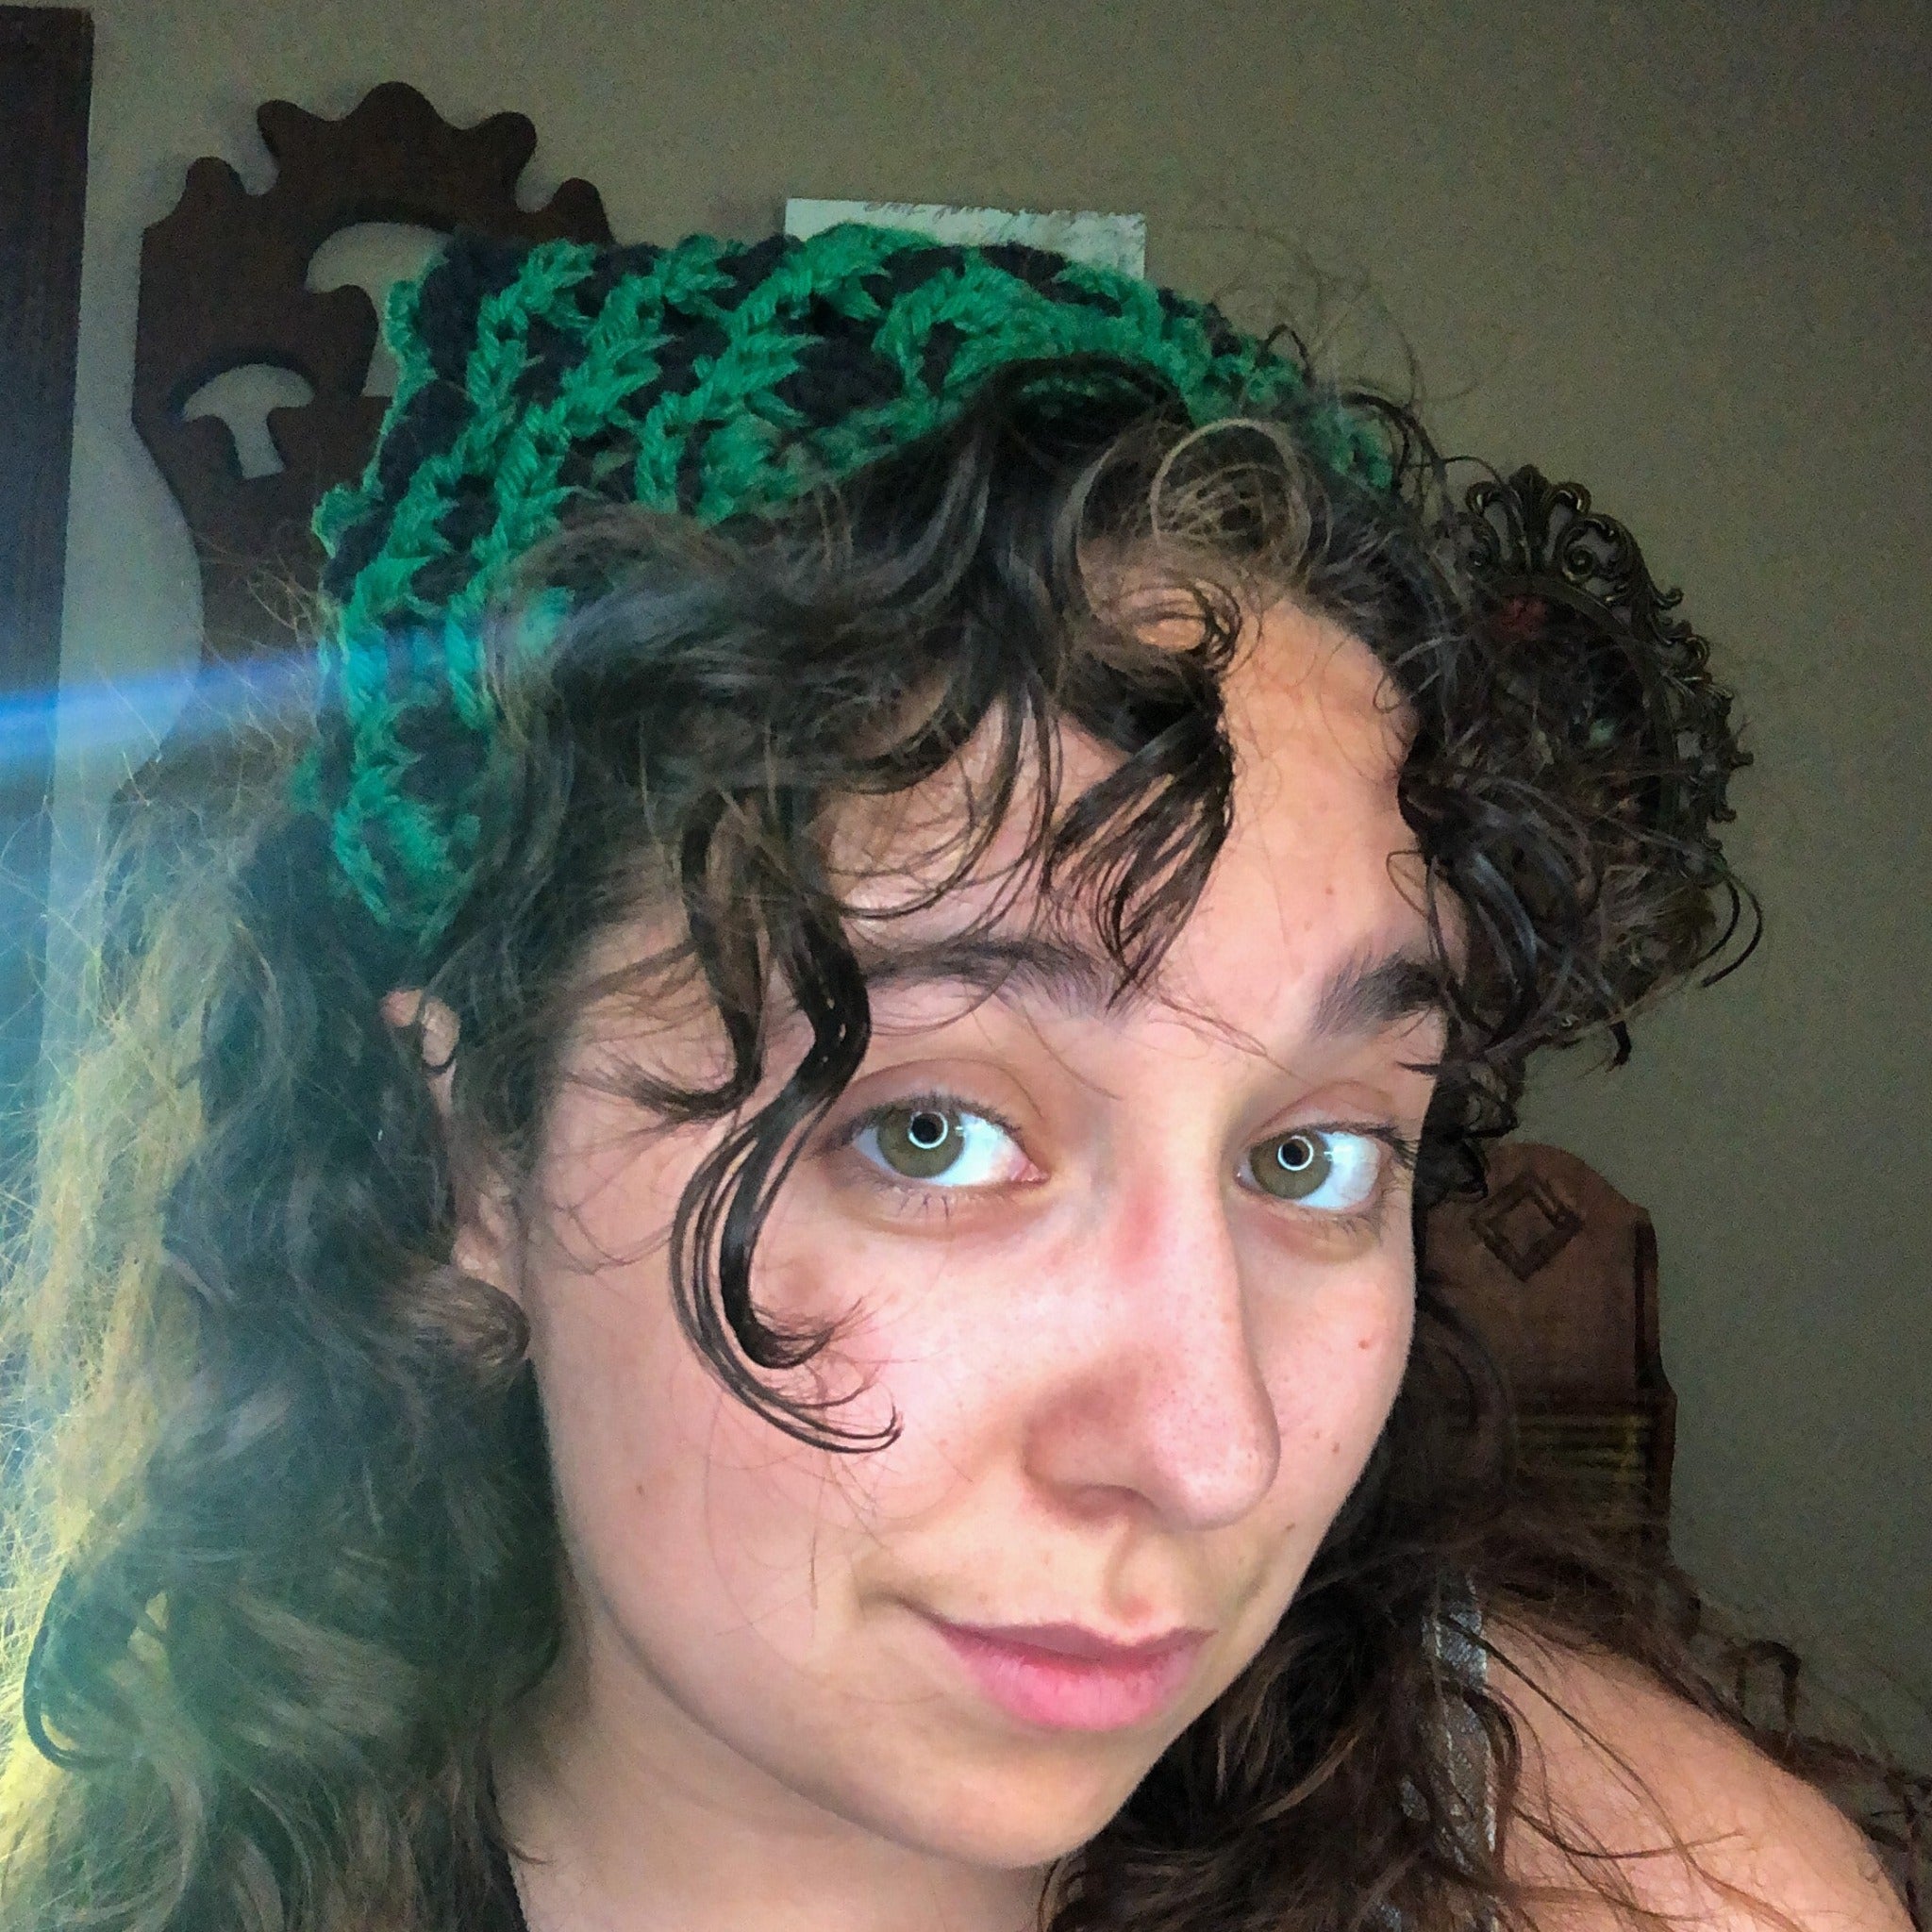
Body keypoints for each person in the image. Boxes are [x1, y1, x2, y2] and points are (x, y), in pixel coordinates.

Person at [0, 224, 1907, 1932]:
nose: (1208, 1443)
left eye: (1316, 1154)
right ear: (469, 1158)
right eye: (928, 1129)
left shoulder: (1638, 1893)